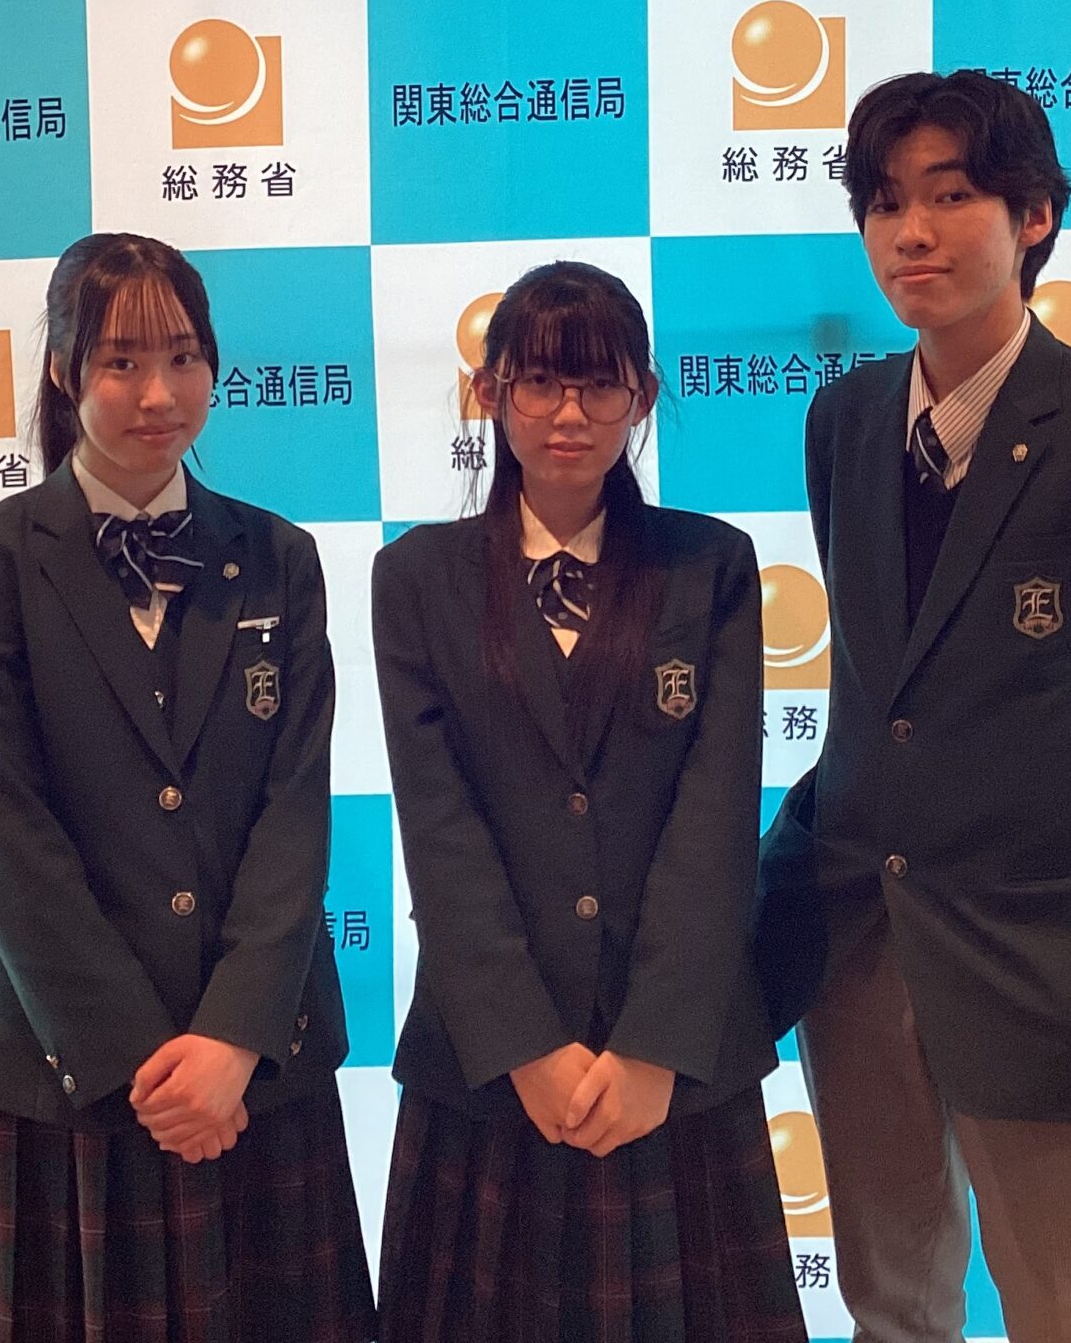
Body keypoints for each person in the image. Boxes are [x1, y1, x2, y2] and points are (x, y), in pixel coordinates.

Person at [755, 72, 1071, 1343]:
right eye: (884, 203)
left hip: (1048, 960)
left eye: (950, 196)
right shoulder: (844, 421)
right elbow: (884, 684)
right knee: (891, 1303)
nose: (910, 233)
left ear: (1032, 217)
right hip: (862, 943)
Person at [0, 232, 375, 1343]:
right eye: (121, 361)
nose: (158, 394)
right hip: (66, 1074)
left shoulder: (279, 557)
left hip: (256, 1068)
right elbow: (4, 839)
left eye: (182, 358)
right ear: (63, 370)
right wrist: (146, 1067)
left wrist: (231, 1042)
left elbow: (293, 816)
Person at [371, 262, 806, 1343]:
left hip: (676, 1066)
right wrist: (527, 1045)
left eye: (601, 385)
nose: (569, 414)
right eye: (539, 383)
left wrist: (654, 1048)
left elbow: (716, 821)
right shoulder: (417, 577)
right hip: (490, 1066)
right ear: (490, 393)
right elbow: (439, 831)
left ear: (642, 397)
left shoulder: (710, 565)